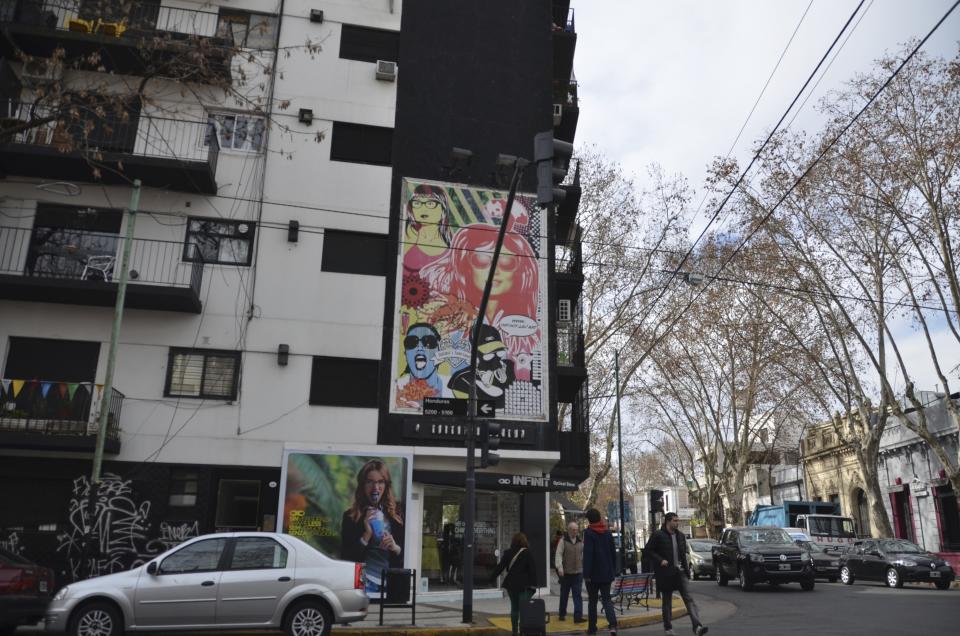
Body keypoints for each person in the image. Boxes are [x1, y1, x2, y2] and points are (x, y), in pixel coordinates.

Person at [340, 459, 405, 594]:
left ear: (386, 485)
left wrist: (395, 547)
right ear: (362, 486)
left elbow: (407, 553)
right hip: (366, 580)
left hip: (390, 581)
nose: (375, 487)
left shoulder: (398, 513)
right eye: (370, 482)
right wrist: (366, 536)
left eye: (380, 482)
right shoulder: (350, 516)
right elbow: (346, 558)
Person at [643, 512, 708, 636]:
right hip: (665, 574)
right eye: (675, 520)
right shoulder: (658, 535)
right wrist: (660, 560)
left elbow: (683, 555)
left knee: (689, 599)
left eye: (678, 520)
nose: (677, 523)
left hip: (680, 572)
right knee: (667, 602)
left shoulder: (681, 536)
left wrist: (687, 571)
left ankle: (697, 627)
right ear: (668, 521)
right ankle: (668, 628)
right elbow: (648, 551)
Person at [492, 532, 538, 636]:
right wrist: (534, 585)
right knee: (524, 609)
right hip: (524, 586)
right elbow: (532, 570)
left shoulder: (508, 552)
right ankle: (523, 630)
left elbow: (500, 567)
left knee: (514, 608)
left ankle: (514, 631)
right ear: (524, 541)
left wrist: (491, 578)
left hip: (511, 585)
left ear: (513, 541)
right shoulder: (528, 553)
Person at [402, 183, 454, 275]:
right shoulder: (407, 236)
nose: (423, 208)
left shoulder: (453, 243)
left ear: (443, 208)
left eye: (430, 203)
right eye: (417, 203)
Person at [583, 508, 618, 636]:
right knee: (606, 599)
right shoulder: (607, 533)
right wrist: (613, 570)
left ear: (589, 519)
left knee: (592, 601)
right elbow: (613, 553)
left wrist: (586, 574)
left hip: (593, 574)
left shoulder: (588, 533)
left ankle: (592, 629)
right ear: (599, 518)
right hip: (606, 573)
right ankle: (613, 625)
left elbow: (588, 555)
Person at [554, 521, 584, 623]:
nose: (575, 531)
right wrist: (559, 567)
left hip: (578, 573)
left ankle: (578, 617)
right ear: (569, 530)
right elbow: (558, 554)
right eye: (573, 529)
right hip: (566, 573)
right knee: (564, 595)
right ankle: (562, 614)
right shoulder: (563, 541)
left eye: (576, 529)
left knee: (577, 595)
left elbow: (583, 555)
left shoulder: (580, 541)